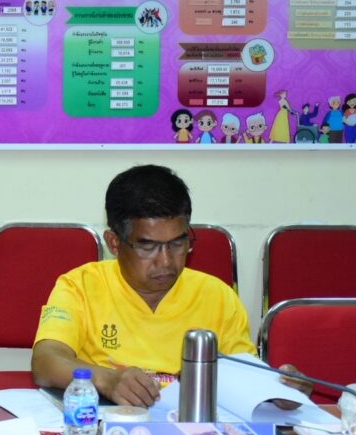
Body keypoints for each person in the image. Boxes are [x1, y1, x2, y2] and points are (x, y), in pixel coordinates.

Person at [31, 164, 309, 407]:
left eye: (177, 243)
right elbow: (45, 361)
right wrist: (107, 380)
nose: (166, 261)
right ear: (114, 243)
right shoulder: (80, 286)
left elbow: (244, 378)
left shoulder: (217, 296)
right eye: (148, 246)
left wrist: (280, 390)